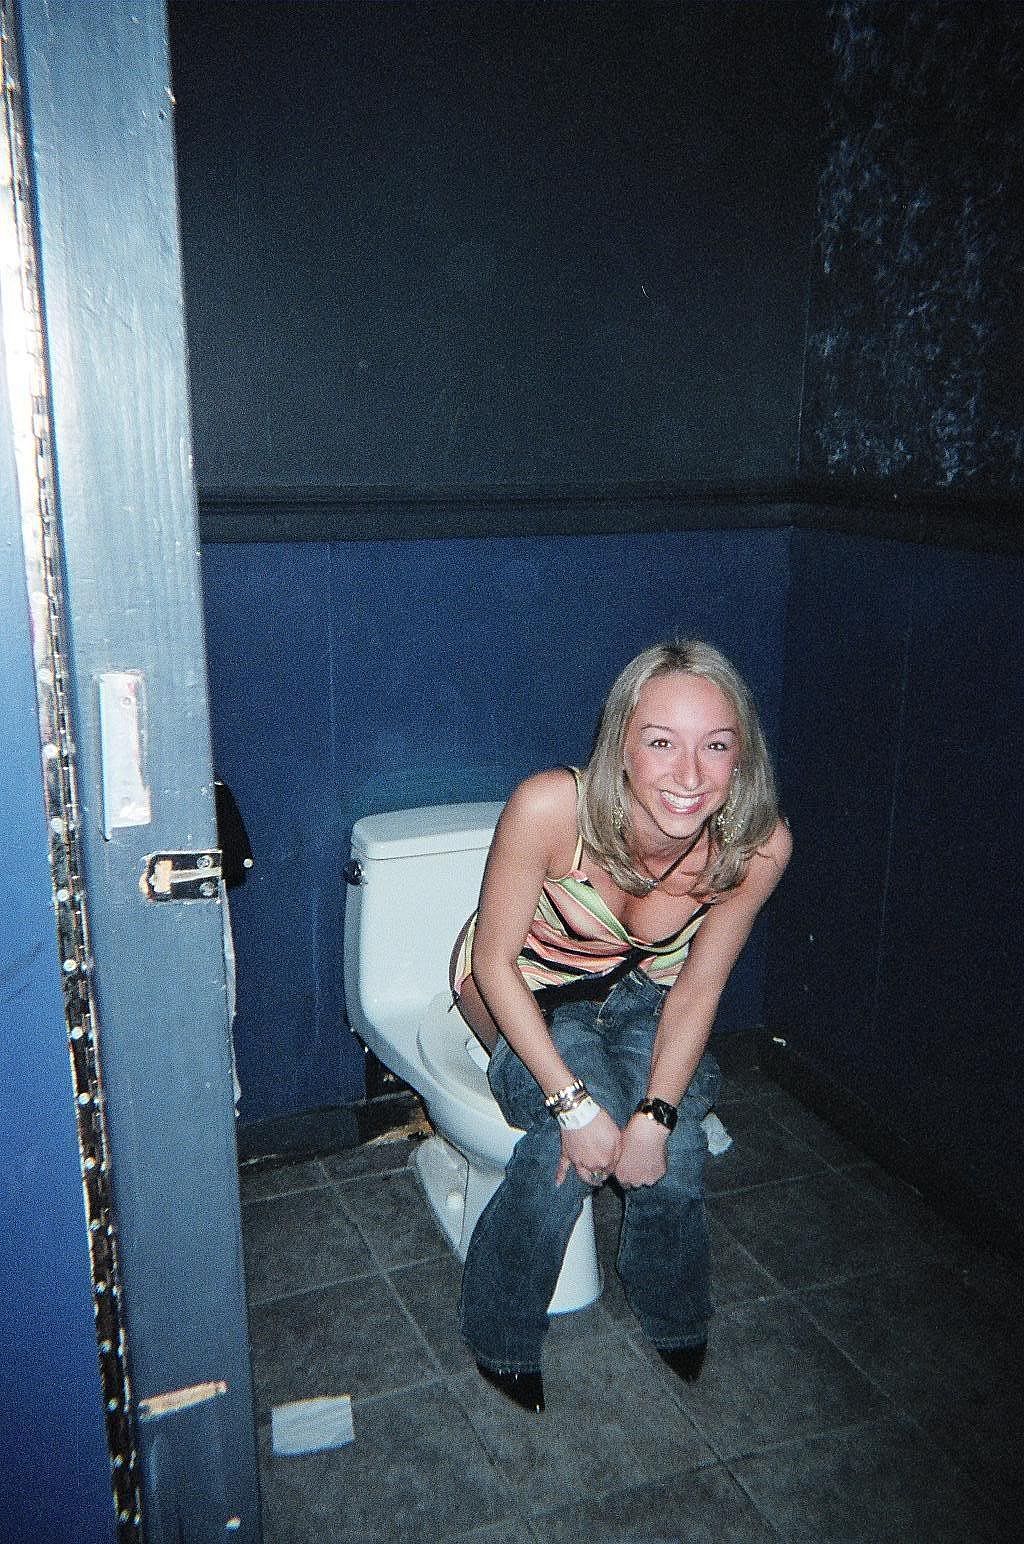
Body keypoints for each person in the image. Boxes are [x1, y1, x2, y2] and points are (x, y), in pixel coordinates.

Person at [450, 638, 791, 1413]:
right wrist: (573, 1106)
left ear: (741, 755)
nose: (690, 775)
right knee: (566, 1145)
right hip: (525, 987)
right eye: (662, 742)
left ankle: (674, 1310)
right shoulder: (552, 808)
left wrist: (659, 1115)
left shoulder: (757, 846)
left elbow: (699, 988)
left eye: (716, 746)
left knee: (673, 1144)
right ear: (622, 744)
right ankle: (499, 1330)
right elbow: (494, 964)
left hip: (643, 992)